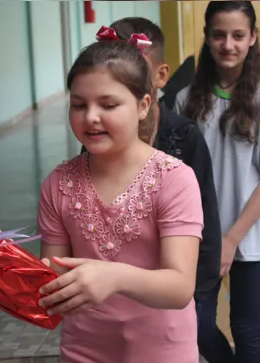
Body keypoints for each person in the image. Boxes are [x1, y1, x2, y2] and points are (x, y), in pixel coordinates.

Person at [37, 37, 204, 363]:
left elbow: (179, 288)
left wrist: (113, 277)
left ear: (144, 105)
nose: (91, 116)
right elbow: (51, 283)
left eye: (108, 104)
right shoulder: (58, 184)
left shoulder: (174, 179)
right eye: (78, 105)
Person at [175, 2, 260, 363]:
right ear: (207, 37)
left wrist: (232, 238)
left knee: (246, 327)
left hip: (248, 234)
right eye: (219, 34)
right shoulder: (185, 99)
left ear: (253, 38)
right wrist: (211, 239)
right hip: (197, 236)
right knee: (195, 321)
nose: (228, 44)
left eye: (238, 35)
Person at [81, 18, 222, 308]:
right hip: (113, 298)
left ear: (160, 76)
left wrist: (200, 292)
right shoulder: (90, 146)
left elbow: (206, 219)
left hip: (176, 292)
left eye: (134, 70)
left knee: (203, 334)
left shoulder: (185, 139)